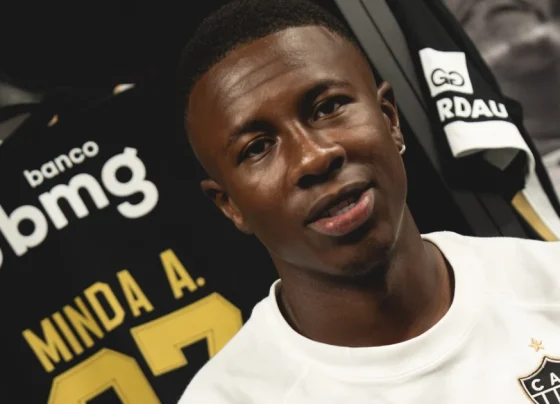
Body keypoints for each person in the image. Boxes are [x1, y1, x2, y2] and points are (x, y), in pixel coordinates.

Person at [177, 0, 560, 402]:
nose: (314, 157)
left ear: (390, 120)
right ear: (230, 205)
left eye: (327, 108)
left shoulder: (548, 282)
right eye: (257, 148)